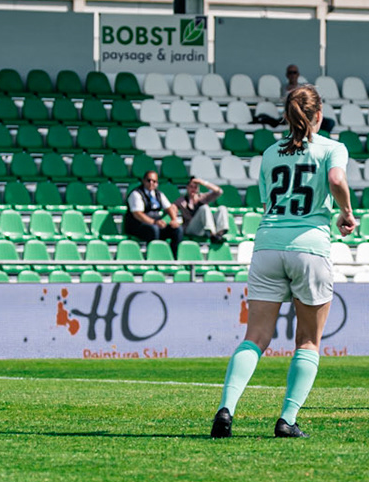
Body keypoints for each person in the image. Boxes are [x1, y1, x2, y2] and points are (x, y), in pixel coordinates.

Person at [211, 83, 354, 439]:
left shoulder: (271, 152)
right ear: (318, 115)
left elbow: (267, 201)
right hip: (309, 246)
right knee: (307, 340)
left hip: (267, 244)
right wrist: (346, 212)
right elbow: (336, 178)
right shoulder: (332, 148)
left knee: (256, 336)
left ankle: (226, 408)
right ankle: (286, 419)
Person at [123, 169, 183, 249]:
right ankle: (155, 256)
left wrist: (174, 219)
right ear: (143, 181)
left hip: (155, 224)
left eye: (154, 181)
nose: (151, 183)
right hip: (138, 226)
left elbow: (169, 208)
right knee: (153, 229)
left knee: (177, 229)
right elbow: (137, 214)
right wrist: (154, 222)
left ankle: (174, 257)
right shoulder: (136, 194)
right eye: (149, 180)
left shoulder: (159, 194)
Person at [175, 175, 228, 243]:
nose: (193, 189)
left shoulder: (203, 197)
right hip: (191, 228)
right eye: (191, 187)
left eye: (195, 187)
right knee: (204, 208)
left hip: (203, 228)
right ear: (187, 188)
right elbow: (172, 207)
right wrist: (174, 219)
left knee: (222, 208)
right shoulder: (182, 200)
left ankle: (220, 234)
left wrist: (203, 182)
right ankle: (212, 235)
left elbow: (219, 191)